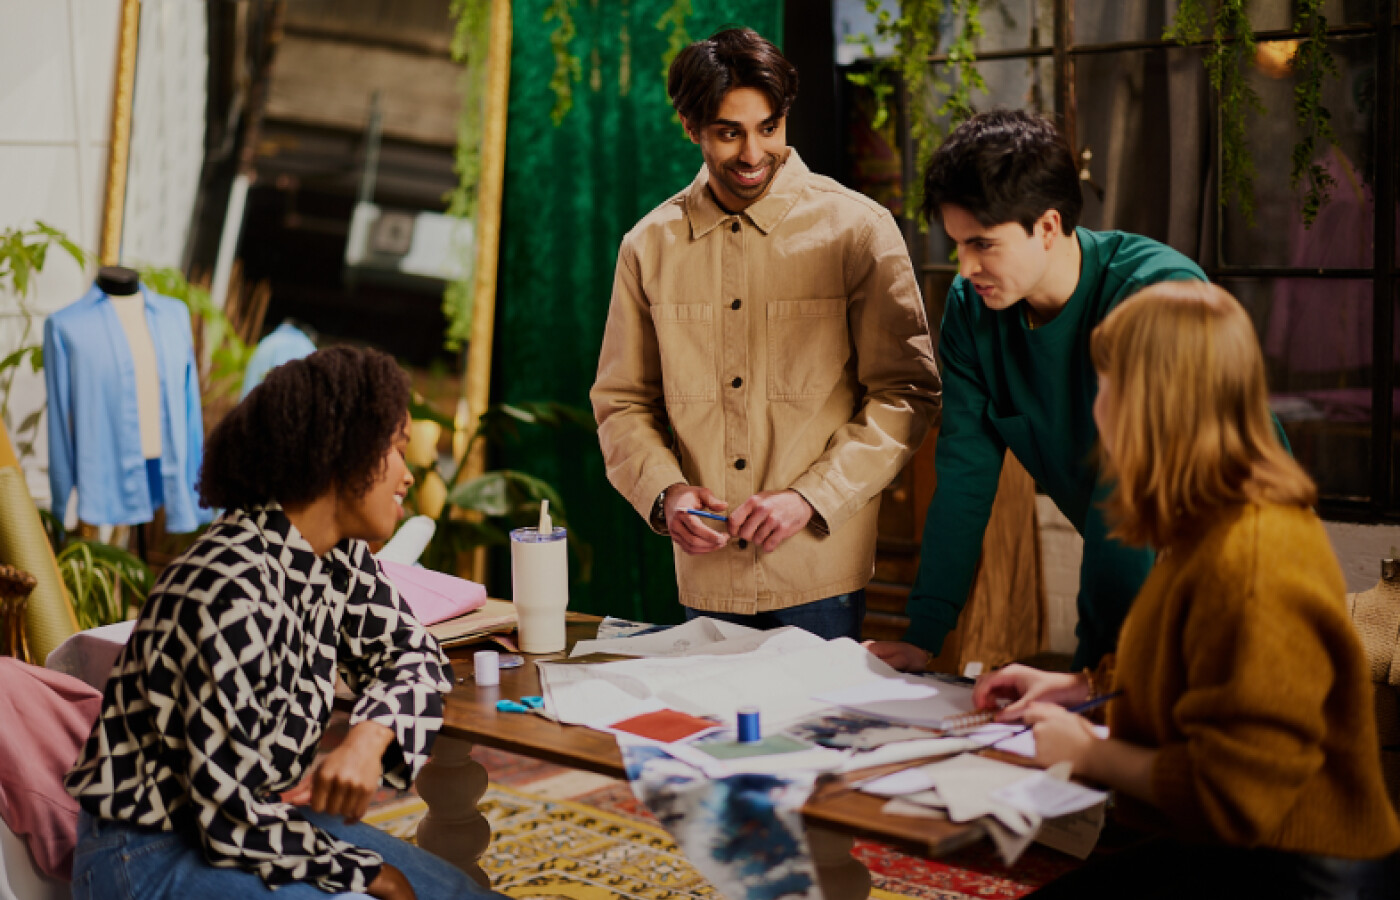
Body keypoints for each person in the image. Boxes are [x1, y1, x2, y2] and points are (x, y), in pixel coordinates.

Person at [977, 282, 1400, 899]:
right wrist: (1083, 689)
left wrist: (1086, 754)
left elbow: (1241, 790)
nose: (1096, 409)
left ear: (1153, 406)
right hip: (1244, 850)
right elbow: (1202, 669)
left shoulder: (1252, 557)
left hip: (1296, 870)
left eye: (1106, 387)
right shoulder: (1212, 520)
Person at [65, 347, 504, 900]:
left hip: (252, 824)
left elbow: (415, 656)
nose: (410, 475)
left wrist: (370, 737)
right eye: (396, 449)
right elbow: (225, 815)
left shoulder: (338, 557)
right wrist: (365, 873)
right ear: (344, 451)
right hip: (149, 852)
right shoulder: (226, 582)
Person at [590, 27, 941, 640]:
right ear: (689, 127)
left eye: (770, 127)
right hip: (707, 573)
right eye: (730, 132)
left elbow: (906, 393)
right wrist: (666, 492)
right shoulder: (647, 248)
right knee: (709, 738)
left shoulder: (857, 230)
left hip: (819, 571)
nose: (754, 153)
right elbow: (621, 402)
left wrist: (810, 497)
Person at [866, 109, 1208, 673]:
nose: (966, 266)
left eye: (983, 244)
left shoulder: (1154, 295)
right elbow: (965, 474)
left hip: (1234, 566)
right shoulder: (972, 308)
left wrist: (1093, 672)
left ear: (1048, 226)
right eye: (956, 244)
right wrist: (923, 634)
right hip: (1142, 579)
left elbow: (1121, 496)